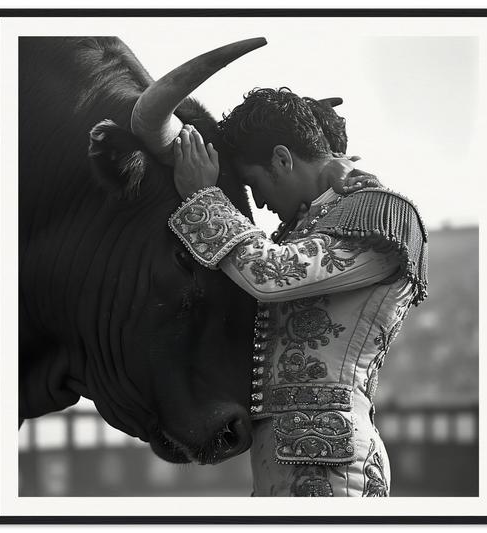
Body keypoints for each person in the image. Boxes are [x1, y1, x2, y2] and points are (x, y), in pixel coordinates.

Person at [168, 88, 428, 497]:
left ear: (283, 159)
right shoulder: (307, 225)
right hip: (286, 463)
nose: (259, 203)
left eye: (253, 182)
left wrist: (203, 199)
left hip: (335, 467)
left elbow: (270, 274)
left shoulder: (382, 214)